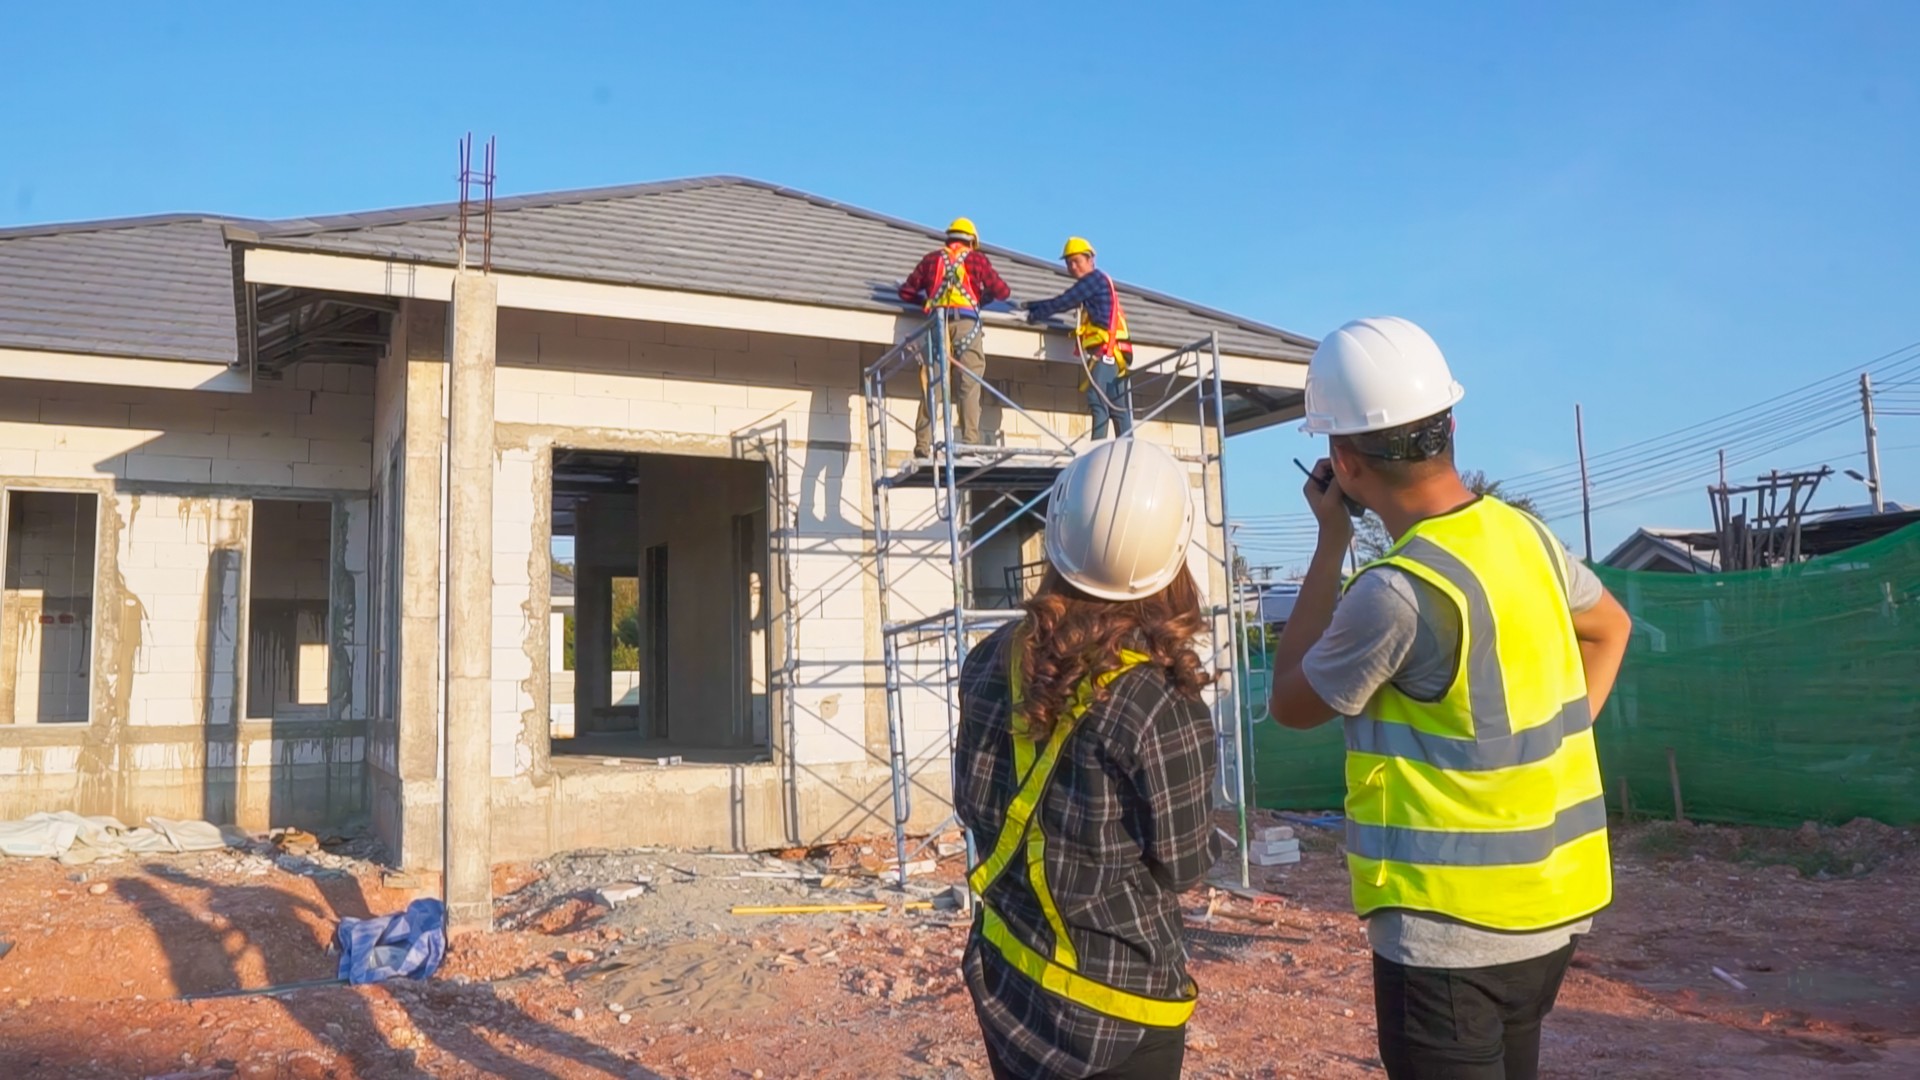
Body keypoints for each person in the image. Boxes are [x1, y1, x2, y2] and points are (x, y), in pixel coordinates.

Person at [1266, 316, 1634, 1080]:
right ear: (1449, 426)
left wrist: (1331, 541)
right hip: (1552, 910)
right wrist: (1560, 738)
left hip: (1448, 935)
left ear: (1341, 460)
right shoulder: (1525, 537)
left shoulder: (1398, 591)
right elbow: (1610, 628)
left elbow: (1291, 702)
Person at [955, 438, 1222, 1079]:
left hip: (1009, 983)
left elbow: (974, 803)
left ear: (1057, 535)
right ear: (1175, 556)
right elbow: (1184, 863)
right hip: (1116, 1010)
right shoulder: (1159, 700)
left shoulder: (990, 658)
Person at [899, 216, 1011, 459]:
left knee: (934, 385)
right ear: (972, 242)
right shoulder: (976, 259)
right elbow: (1003, 291)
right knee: (969, 384)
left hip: (937, 324)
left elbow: (906, 291)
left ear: (949, 239)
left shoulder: (931, 260)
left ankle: (923, 444)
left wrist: (927, 302)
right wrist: (980, 300)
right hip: (966, 325)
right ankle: (969, 442)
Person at [1023, 237, 1134, 439]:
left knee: (1097, 399)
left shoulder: (1093, 280)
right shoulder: (1099, 283)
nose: (1072, 267)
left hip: (1107, 352)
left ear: (1090, 260)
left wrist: (1034, 315)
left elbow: (1065, 301)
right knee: (1117, 405)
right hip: (1116, 353)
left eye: (1077, 261)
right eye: (1068, 263)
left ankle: (1097, 449)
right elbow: (1064, 300)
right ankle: (1127, 447)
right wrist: (1034, 306)